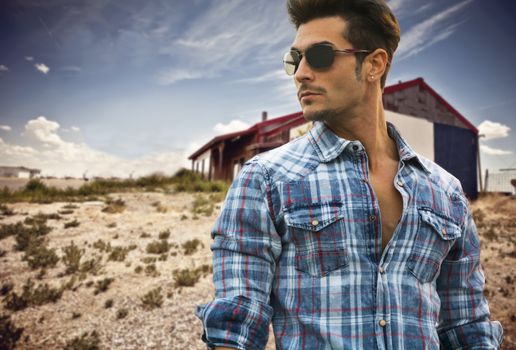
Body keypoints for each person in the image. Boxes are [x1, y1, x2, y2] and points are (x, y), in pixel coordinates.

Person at [196, 0, 504, 348]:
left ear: (374, 64)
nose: (301, 73)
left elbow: (467, 326)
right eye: (294, 60)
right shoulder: (266, 180)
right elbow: (234, 327)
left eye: (321, 56)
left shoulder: (445, 192)